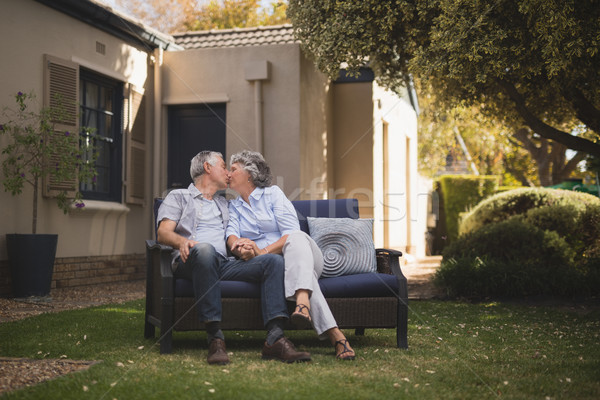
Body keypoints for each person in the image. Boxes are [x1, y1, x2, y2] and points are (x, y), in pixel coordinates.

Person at [156, 150, 311, 365]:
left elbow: (232, 235)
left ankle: (275, 338)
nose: (228, 172)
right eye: (223, 166)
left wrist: (241, 248)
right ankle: (215, 339)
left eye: (231, 169)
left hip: (223, 263)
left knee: (273, 261)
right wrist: (182, 241)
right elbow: (163, 233)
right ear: (208, 168)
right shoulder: (178, 196)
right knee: (205, 250)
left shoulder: (224, 204)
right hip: (189, 259)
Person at [226, 150, 356, 360]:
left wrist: (262, 251)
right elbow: (231, 233)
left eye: (233, 169)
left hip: (304, 256)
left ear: (249, 174)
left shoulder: (273, 194)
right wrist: (240, 247)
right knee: (302, 275)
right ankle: (336, 336)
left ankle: (302, 300)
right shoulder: (234, 205)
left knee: (296, 236)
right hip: (277, 267)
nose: (228, 173)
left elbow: (289, 234)